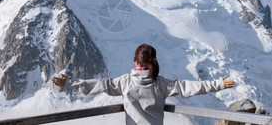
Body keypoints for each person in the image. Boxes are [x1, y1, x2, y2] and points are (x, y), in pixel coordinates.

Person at [52, 43, 236, 125]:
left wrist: (70, 82)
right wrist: (218, 83)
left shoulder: (124, 82)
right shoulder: (161, 83)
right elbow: (190, 87)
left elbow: (98, 85)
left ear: (135, 61)